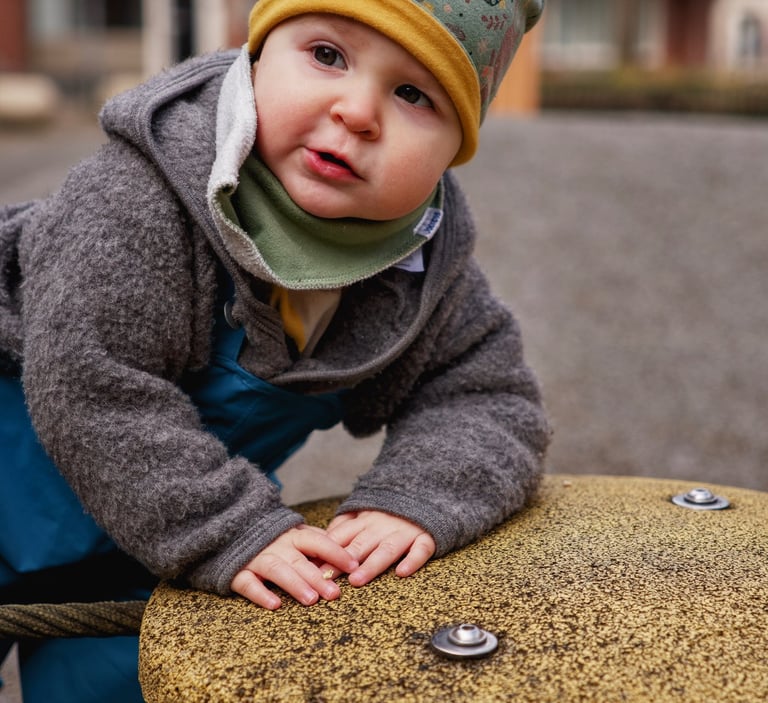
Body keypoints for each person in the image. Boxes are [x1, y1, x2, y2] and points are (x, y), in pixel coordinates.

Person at [0, 0, 550, 700]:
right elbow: (89, 382)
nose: (356, 111)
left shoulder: (416, 271)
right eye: (327, 55)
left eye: (414, 93)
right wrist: (228, 526)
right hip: (67, 478)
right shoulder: (141, 194)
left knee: (137, 683)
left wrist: (417, 495)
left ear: (457, 147)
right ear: (256, 52)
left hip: (145, 546)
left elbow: (485, 392)